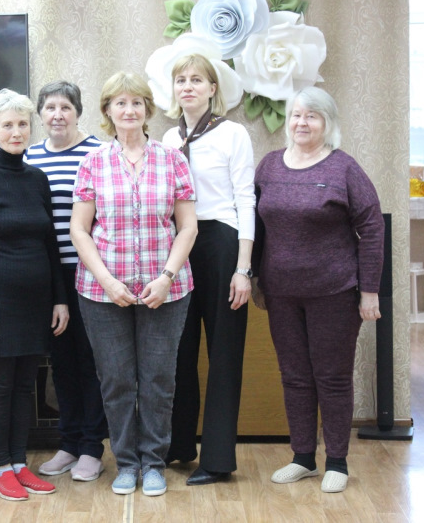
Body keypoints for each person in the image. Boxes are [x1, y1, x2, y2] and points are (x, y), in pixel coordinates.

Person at [69, 72, 198, 497]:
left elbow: (188, 227)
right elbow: (80, 230)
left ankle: (154, 463)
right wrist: (107, 281)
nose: (129, 110)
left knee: (159, 379)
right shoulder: (93, 162)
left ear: (148, 109)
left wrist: (166, 278)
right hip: (103, 293)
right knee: (117, 380)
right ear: (108, 110)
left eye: (137, 103)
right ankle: (126, 463)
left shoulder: (172, 159)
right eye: (120, 103)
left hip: (166, 292)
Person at [251, 86, 384, 494]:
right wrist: (254, 276)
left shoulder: (344, 168)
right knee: (294, 376)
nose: (302, 122)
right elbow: (256, 226)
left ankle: (337, 461)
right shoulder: (269, 166)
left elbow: (372, 227)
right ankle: (303, 457)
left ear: (328, 123)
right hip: (281, 293)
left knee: (332, 377)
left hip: (334, 292)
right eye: (296, 115)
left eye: (312, 115)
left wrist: (370, 291)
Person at [0, 88, 69, 502]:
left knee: (26, 387)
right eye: (7, 125)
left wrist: (60, 299)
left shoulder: (38, 179)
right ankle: (2, 468)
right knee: (0, 387)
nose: (16, 131)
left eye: (23, 124)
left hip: (36, 302)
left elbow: (50, 244)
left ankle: (20, 463)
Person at [160, 53, 255, 485]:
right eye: (181, 79)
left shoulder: (232, 133)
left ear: (212, 89)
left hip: (221, 243)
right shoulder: (168, 138)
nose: (188, 86)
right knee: (178, 350)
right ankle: (179, 444)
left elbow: (246, 200)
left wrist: (243, 268)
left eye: (197, 79)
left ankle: (217, 460)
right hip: (179, 244)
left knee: (223, 353)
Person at [24, 80, 108, 482]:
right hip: (48, 276)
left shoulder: (98, 153)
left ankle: (92, 446)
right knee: (62, 363)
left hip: (91, 271)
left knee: (91, 361)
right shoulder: (29, 156)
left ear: (78, 112)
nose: (57, 115)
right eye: (50, 107)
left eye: (65, 107)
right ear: (40, 114)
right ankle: (69, 442)